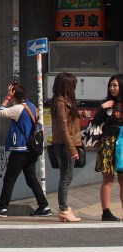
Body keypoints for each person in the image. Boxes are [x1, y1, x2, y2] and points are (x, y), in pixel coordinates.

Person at [0, 83, 51, 218]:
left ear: (13, 94)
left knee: (9, 179)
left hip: (20, 149)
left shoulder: (18, 109)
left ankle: (2, 207)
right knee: (31, 178)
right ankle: (44, 206)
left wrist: (7, 97)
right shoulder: (32, 106)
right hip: (32, 149)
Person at [50, 72, 82, 223]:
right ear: (67, 86)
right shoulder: (62, 103)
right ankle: (64, 209)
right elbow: (63, 129)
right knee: (66, 178)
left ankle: (64, 209)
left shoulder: (62, 101)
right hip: (65, 145)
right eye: (73, 84)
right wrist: (72, 149)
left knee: (65, 177)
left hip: (64, 145)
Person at [92, 74, 123, 221]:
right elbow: (96, 122)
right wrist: (102, 108)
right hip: (108, 142)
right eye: (111, 85)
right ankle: (106, 212)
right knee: (108, 179)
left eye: (115, 85)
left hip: (122, 143)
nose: (112, 88)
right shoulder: (107, 103)